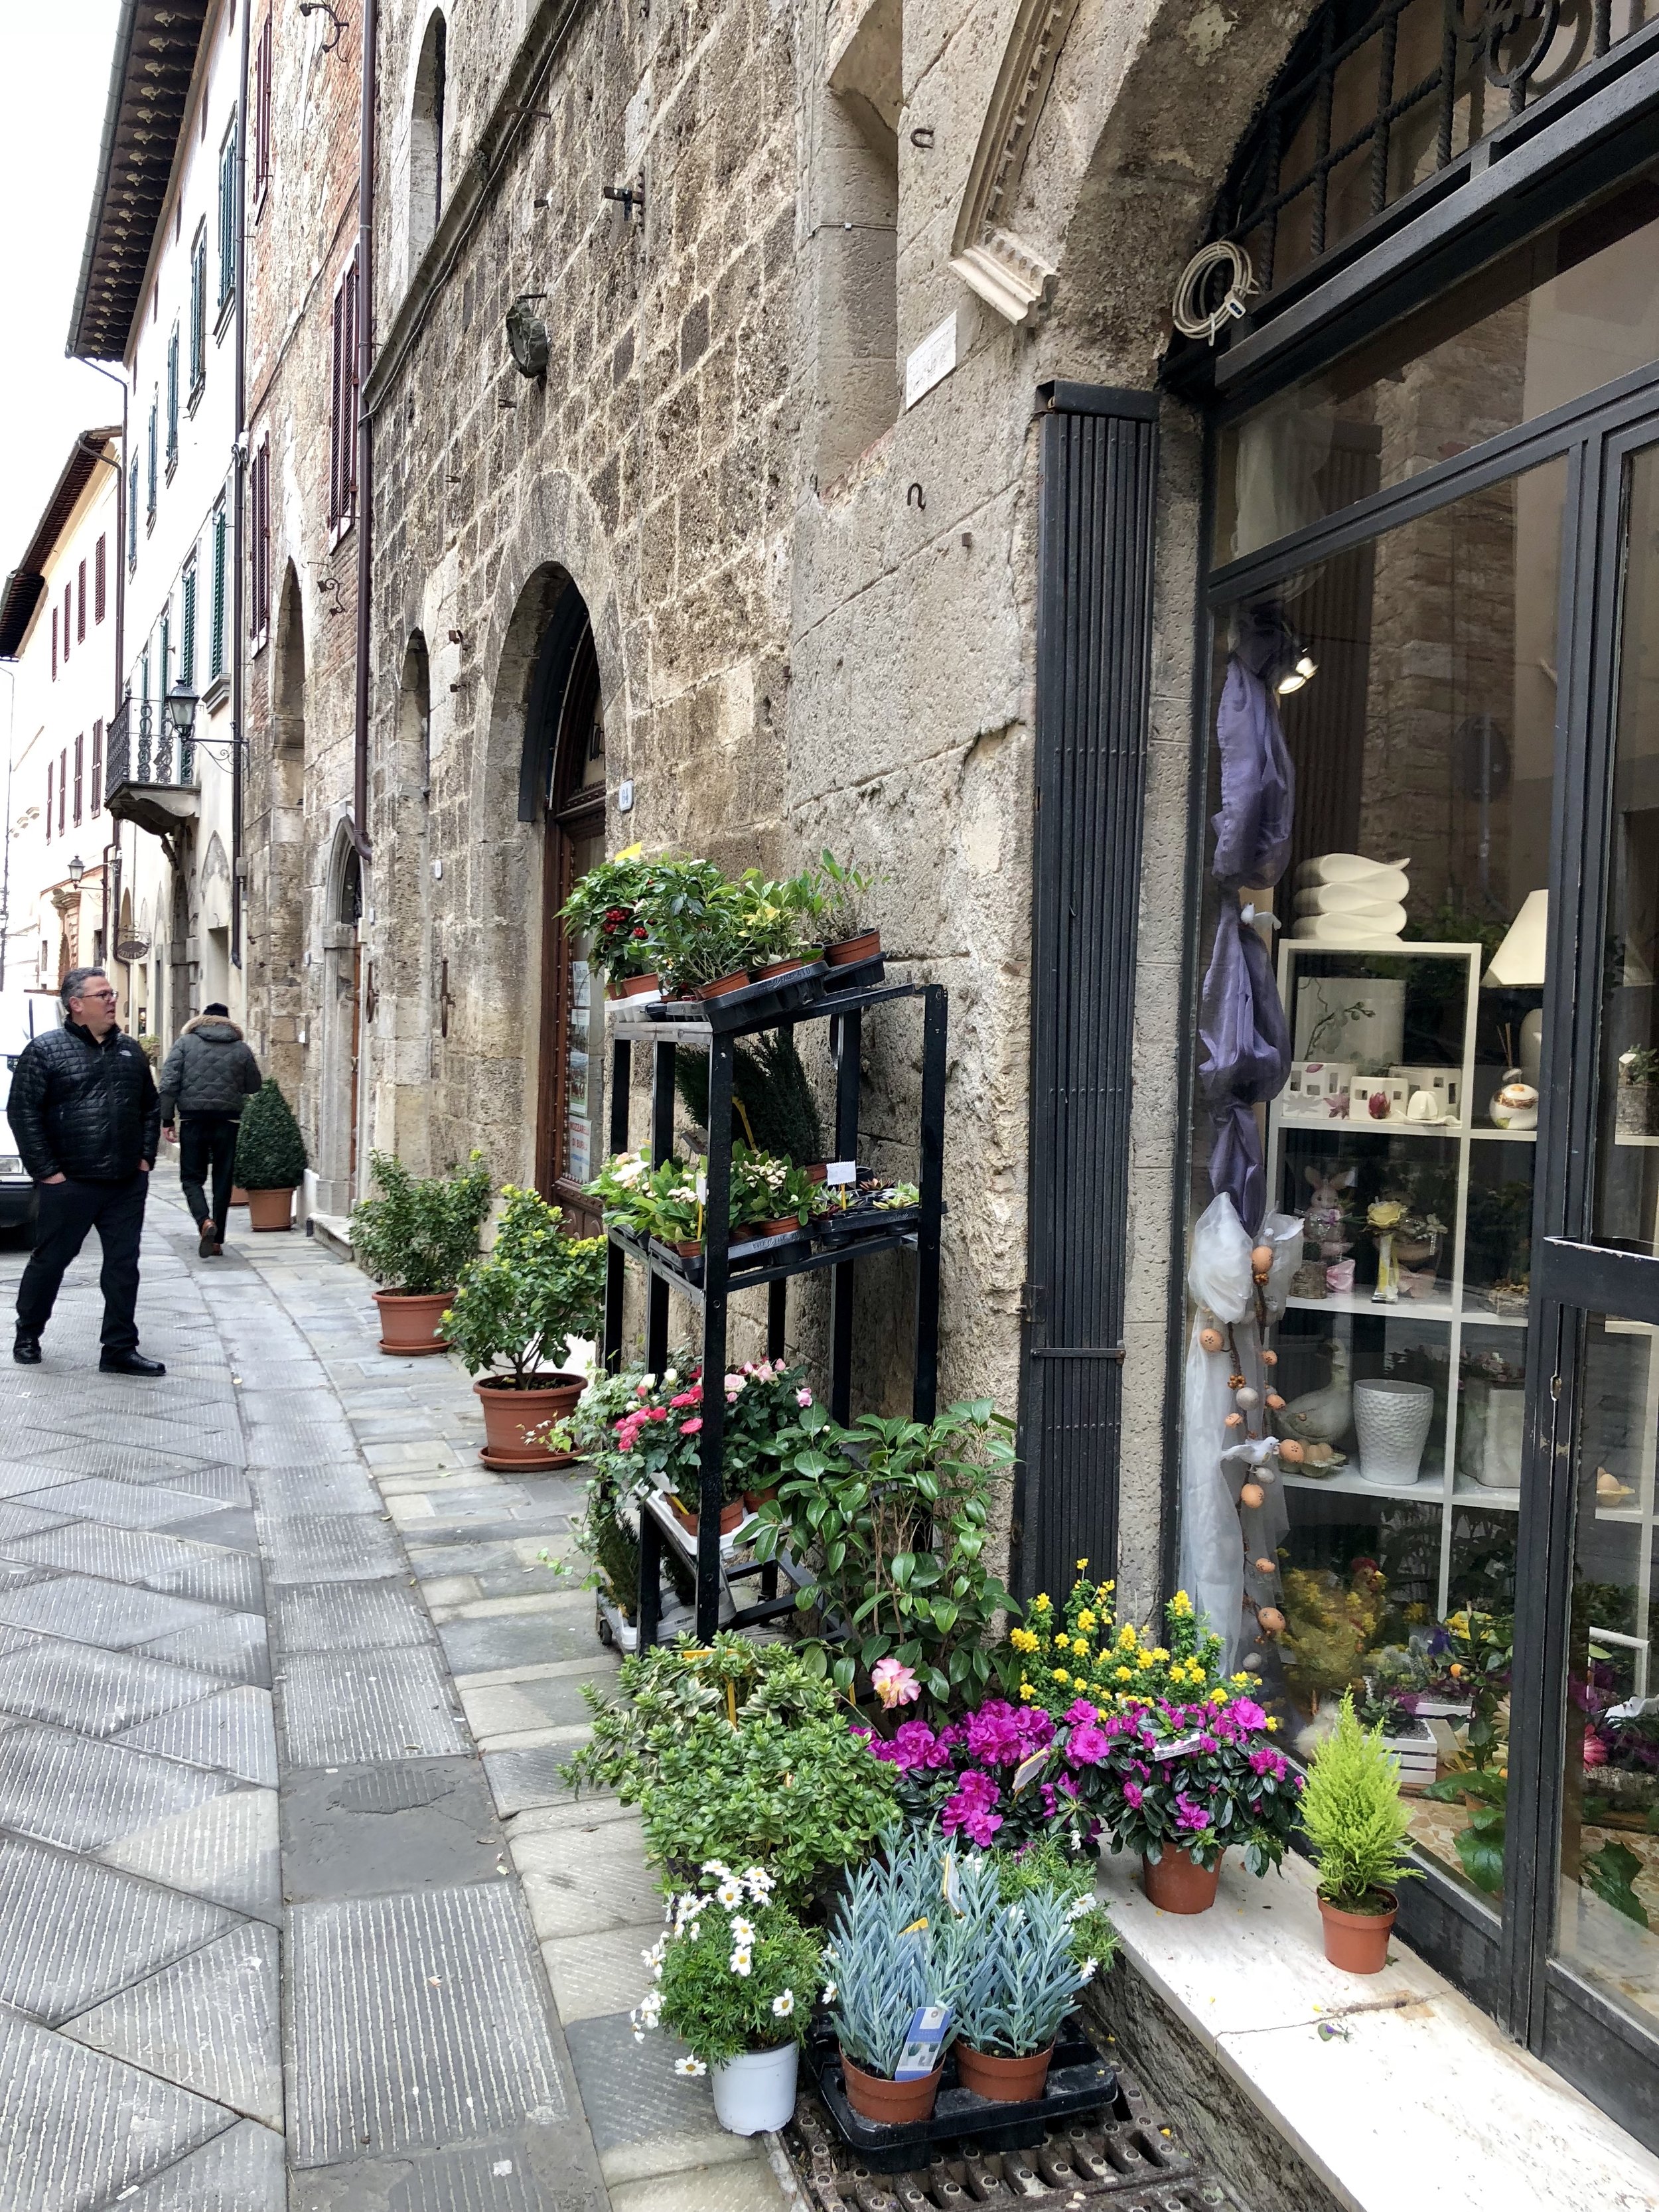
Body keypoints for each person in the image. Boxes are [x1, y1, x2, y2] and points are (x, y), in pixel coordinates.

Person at [6, 966, 164, 1374]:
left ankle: (119, 1349)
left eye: (113, 994)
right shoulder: (45, 1051)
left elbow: (150, 1106)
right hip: (70, 1181)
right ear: (76, 1005)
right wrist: (47, 1171)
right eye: (103, 995)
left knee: (123, 1266)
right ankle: (28, 1333)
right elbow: (23, 1114)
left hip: (125, 1181)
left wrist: (146, 1157)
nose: (113, 1000)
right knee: (51, 1260)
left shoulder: (130, 1051)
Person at [157, 1001, 263, 1258]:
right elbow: (254, 1086)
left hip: (193, 1120)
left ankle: (205, 1221)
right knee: (223, 1179)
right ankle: (218, 1241)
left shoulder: (184, 1044)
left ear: (202, 1019)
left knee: (191, 1178)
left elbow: (169, 1083)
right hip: (228, 1120)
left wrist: (167, 1119)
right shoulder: (241, 1048)